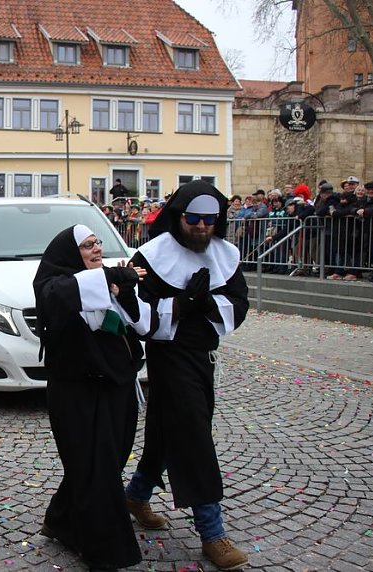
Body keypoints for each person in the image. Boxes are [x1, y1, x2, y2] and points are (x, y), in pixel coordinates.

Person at [124, 180, 250, 571]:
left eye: (209, 220)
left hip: (202, 356)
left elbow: (239, 303)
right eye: (193, 218)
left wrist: (208, 301)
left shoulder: (225, 255)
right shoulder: (151, 256)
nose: (200, 227)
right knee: (194, 433)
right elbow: (137, 312)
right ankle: (212, 532)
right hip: (169, 356)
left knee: (167, 428)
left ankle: (137, 493)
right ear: (178, 217)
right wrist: (182, 303)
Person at [33, 224, 152, 570]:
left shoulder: (105, 282)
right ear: (71, 254)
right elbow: (63, 295)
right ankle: (106, 550)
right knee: (94, 468)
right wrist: (110, 276)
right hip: (75, 393)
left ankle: (58, 519)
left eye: (97, 243)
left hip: (116, 387)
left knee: (107, 461)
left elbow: (139, 325)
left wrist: (123, 289)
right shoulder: (53, 286)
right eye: (87, 246)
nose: (96, 249)